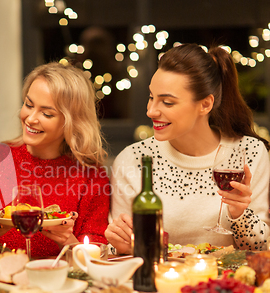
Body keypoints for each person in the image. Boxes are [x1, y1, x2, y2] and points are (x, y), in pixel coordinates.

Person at [106, 43, 270, 255]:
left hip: (229, 284)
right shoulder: (134, 159)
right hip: (160, 283)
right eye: (151, 97)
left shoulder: (250, 152)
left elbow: (261, 249)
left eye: (167, 102)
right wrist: (121, 246)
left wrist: (240, 215)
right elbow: (114, 250)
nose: (151, 111)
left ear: (205, 105)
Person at [0, 62, 111, 259]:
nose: (30, 118)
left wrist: (68, 241)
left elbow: (96, 252)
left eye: (46, 113)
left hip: (60, 283)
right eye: (29, 105)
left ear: (72, 122)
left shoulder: (92, 176)